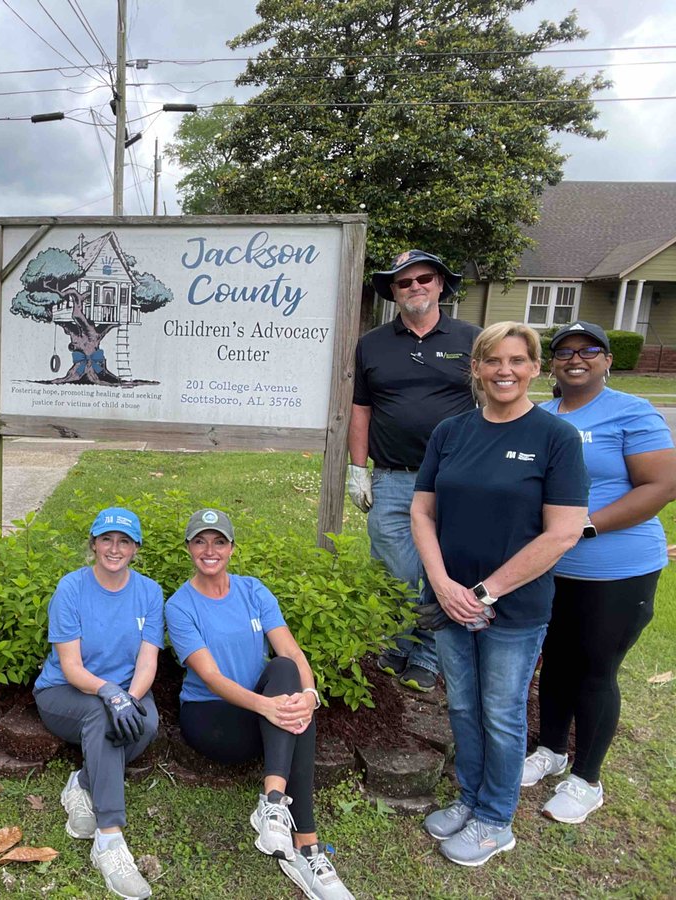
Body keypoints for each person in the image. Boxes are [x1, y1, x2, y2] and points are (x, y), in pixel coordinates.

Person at [410, 322, 589, 866]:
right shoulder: (452, 431)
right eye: (492, 361)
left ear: (535, 368)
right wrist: (443, 585)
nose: (504, 371)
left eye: (516, 360)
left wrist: (485, 591)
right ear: (477, 369)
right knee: (462, 705)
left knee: (502, 713)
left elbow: (563, 531)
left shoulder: (555, 438)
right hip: (449, 600)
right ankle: (470, 799)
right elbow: (422, 511)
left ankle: (496, 820)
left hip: (512, 606)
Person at [522, 321, 676, 823]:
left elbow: (660, 485)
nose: (575, 358)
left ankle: (587, 779)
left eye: (589, 350)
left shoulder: (631, 411)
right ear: (552, 364)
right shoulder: (541, 415)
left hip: (616, 569)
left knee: (594, 669)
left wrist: (580, 529)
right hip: (550, 570)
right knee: (556, 662)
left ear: (608, 360)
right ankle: (551, 750)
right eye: (564, 351)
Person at [166, 509, 354, 900]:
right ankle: (306, 846)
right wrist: (268, 708)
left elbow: (293, 653)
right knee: (290, 714)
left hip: (262, 712)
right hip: (211, 717)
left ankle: (275, 809)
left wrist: (309, 696)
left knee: (288, 676)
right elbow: (213, 679)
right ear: (188, 549)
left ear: (232, 548)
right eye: (200, 541)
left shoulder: (253, 590)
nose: (209, 550)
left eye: (219, 541)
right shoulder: (180, 606)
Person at [348, 249, 481, 693]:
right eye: (404, 282)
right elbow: (361, 409)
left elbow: (493, 405)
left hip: (453, 479)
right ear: (393, 292)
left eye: (425, 278)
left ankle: (426, 655)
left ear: (441, 283)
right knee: (394, 569)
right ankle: (395, 644)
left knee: (438, 568)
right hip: (392, 476)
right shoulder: (373, 343)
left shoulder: (472, 339)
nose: (415, 287)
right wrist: (357, 468)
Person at [34, 508, 162, 900]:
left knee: (148, 723)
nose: (114, 548)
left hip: (126, 690)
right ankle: (110, 839)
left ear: (136, 549)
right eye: (106, 539)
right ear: (93, 544)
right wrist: (110, 694)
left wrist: (131, 698)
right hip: (65, 693)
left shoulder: (149, 592)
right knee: (100, 716)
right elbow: (71, 667)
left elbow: (147, 660)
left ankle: (83, 783)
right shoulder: (71, 589)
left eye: (124, 541)